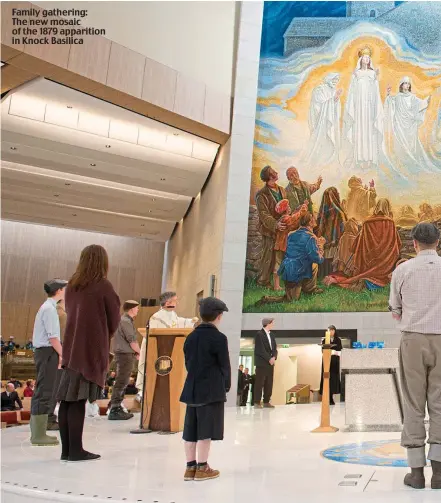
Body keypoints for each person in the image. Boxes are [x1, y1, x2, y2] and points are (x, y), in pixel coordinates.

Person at [389, 222, 441, 490]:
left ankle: (417, 473)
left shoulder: (403, 270)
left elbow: (395, 309)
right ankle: (440, 474)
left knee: (413, 403)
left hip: (412, 339)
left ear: (415, 244)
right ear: (438, 242)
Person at [57, 244, 121, 462]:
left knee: (67, 400)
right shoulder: (103, 285)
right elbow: (114, 319)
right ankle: (76, 451)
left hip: (71, 349)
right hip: (89, 349)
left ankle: (67, 450)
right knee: (77, 400)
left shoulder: (72, 286)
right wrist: (103, 335)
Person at [180, 297, 230, 482]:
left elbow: (187, 362)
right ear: (218, 316)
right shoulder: (218, 338)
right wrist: (226, 384)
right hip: (211, 389)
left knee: (190, 429)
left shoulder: (191, 337)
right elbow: (224, 365)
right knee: (205, 430)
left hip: (192, 387)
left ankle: (189, 467)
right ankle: (202, 467)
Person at [326, 198, 402, 290]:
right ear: (388, 208)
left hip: (369, 260)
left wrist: (354, 247)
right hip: (386, 264)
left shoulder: (367, 222)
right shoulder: (390, 223)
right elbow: (397, 243)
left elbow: (359, 241)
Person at [136, 291, 197, 401]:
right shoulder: (156, 318)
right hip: (158, 353)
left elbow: (178, 322)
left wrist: (190, 321)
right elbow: (154, 335)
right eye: (175, 300)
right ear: (168, 302)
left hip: (171, 352)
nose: (177, 303)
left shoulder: (173, 315)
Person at [30, 278, 67, 446]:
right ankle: (38, 435)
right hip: (47, 352)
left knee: (44, 390)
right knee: (44, 392)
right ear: (59, 290)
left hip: (46, 352)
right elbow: (53, 337)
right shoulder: (50, 309)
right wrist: (63, 355)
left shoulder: (47, 307)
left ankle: (39, 432)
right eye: (65, 289)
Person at [343, 46, 384, 169]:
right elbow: (352, 91)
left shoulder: (372, 73)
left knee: (369, 131)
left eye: (368, 57)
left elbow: (375, 91)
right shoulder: (356, 74)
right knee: (359, 129)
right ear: (360, 59)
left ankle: (370, 159)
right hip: (359, 107)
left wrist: (376, 78)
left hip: (369, 107)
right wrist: (352, 106)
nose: (366, 59)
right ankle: (359, 159)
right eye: (364, 57)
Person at [385, 76, 437, 173]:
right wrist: (388, 94)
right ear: (401, 85)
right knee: (401, 143)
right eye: (405, 83)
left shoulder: (412, 97)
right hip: (400, 125)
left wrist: (426, 101)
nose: (407, 85)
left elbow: (420, 104)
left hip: (410, 125)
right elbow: (390, 103)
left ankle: (411, 163)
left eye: (408, 83)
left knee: (411, 144)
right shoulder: (398, 97)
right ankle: (402, 163)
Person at [278, 213, 325, 301]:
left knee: (291, 298)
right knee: (291, 300)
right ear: (310, 222)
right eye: (314, 219)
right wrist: (321, 246)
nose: (315, 220)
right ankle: (309, 288)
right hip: (298, 272)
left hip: (288, 269)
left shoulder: (291, 234)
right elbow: (318, 259)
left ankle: (308, 288)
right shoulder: (311, 237)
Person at [255, 165, 287, 288]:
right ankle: (263, 282)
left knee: (279, 256)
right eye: (274, 171)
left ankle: (278, 283)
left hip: (282, 228)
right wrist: (275, 224)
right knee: (267, 256)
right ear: (269, 176)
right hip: (269, 230)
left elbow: (284, 207)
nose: (277, 172)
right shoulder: (261, 194)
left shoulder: (282, 190)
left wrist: (287, 211)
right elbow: (264, 214)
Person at [109, 300, 141, 421]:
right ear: (132, 309)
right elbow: (132, 340)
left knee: (122, 380)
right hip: (124, 354)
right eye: (137, 308)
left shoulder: (124, 320)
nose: (138, 310)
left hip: (125, 354)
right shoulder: (126, 321)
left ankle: (117, 407)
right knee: (122, 381)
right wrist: (139, 352)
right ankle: (115, 408)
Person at [304, 73, 342, 168]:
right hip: (320, 123)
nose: (335, 82)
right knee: (319, 143)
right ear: (328, 79)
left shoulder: (333, 91)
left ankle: (328, 163)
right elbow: (318, 104)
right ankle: (316, 163)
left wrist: (336, 99)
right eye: (334, 80)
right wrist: (333, 99)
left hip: (329, 122)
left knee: (330, 141)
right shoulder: (320, 89)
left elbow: (334, 105)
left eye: (337, 81)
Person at [273, 198, 307, 290]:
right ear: (285, 209)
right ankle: (276, 286)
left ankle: (279, 284)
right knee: (279, 264)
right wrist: (301, 211)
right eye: (288, 206)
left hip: (281, 245)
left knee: (280, 263)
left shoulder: (283, 218)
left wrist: (299, 210)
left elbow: (293, 222)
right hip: (282, 245)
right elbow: (292, 219)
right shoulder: (285, 218)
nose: (289, 207)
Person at [316, 187, 347, 278]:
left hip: (334, 238)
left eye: (330, 197)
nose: (328, 200)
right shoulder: (324, 210)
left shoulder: (339, 212)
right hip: (325, 237)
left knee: (331, 256)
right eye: (326, 197)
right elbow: (320, 223)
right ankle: (322, 274)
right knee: (325, 255)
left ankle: (330, 274)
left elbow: (342, 226)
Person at [254, 318, 278, 408]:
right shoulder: (259, 334)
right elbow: (260, 350)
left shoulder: (272, 335)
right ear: (268, 323)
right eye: (272, 323)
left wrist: (274, 357)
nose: (273, 324)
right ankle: (257, 402)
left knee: (269, 382)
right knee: (260, 382)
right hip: (262, 363)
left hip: (270, 363)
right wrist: (269, 358)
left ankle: (266, 401)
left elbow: (275, 348)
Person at [319, 326, 343, 406]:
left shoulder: (338, 340)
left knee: (333, 380)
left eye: (333, 330)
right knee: (326, 379)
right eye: (330, 330)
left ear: (335, 331)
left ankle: (331, 397)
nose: (332, 332)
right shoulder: (325, 340)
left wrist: (333, 350)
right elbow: (322, 350)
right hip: (327, 362)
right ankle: (327, 398)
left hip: (335, 362)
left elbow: (340, 349)